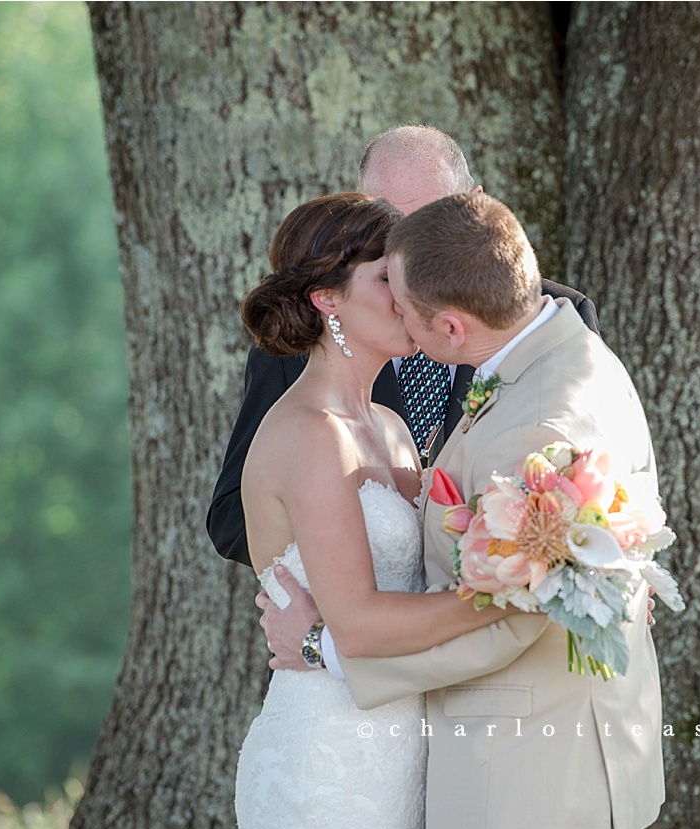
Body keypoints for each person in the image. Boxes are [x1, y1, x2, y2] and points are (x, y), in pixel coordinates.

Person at [261, 193, 666, 829]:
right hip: (455, 757)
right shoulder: (568, 358)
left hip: (523, 776)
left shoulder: (537, 415)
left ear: (450, 329)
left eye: (407, 302)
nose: (400, 313)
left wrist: (321, 650)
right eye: (384, 283)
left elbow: (516, 611)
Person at [231, 192, 515, 829]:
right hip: (328, 763)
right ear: (327, 300)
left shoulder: (387, 428)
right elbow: (355, 623)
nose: (407, 293)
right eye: (387, 278)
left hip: (405, 747)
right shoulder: (309, 435)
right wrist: (505, 598)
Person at [206, 125, 599, 568]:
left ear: (476, 205)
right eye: (393, 234)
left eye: (429, 225)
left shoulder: (549, 318)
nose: (411, 258)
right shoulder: (305, 337)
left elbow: (589, 482)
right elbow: (231, 517)